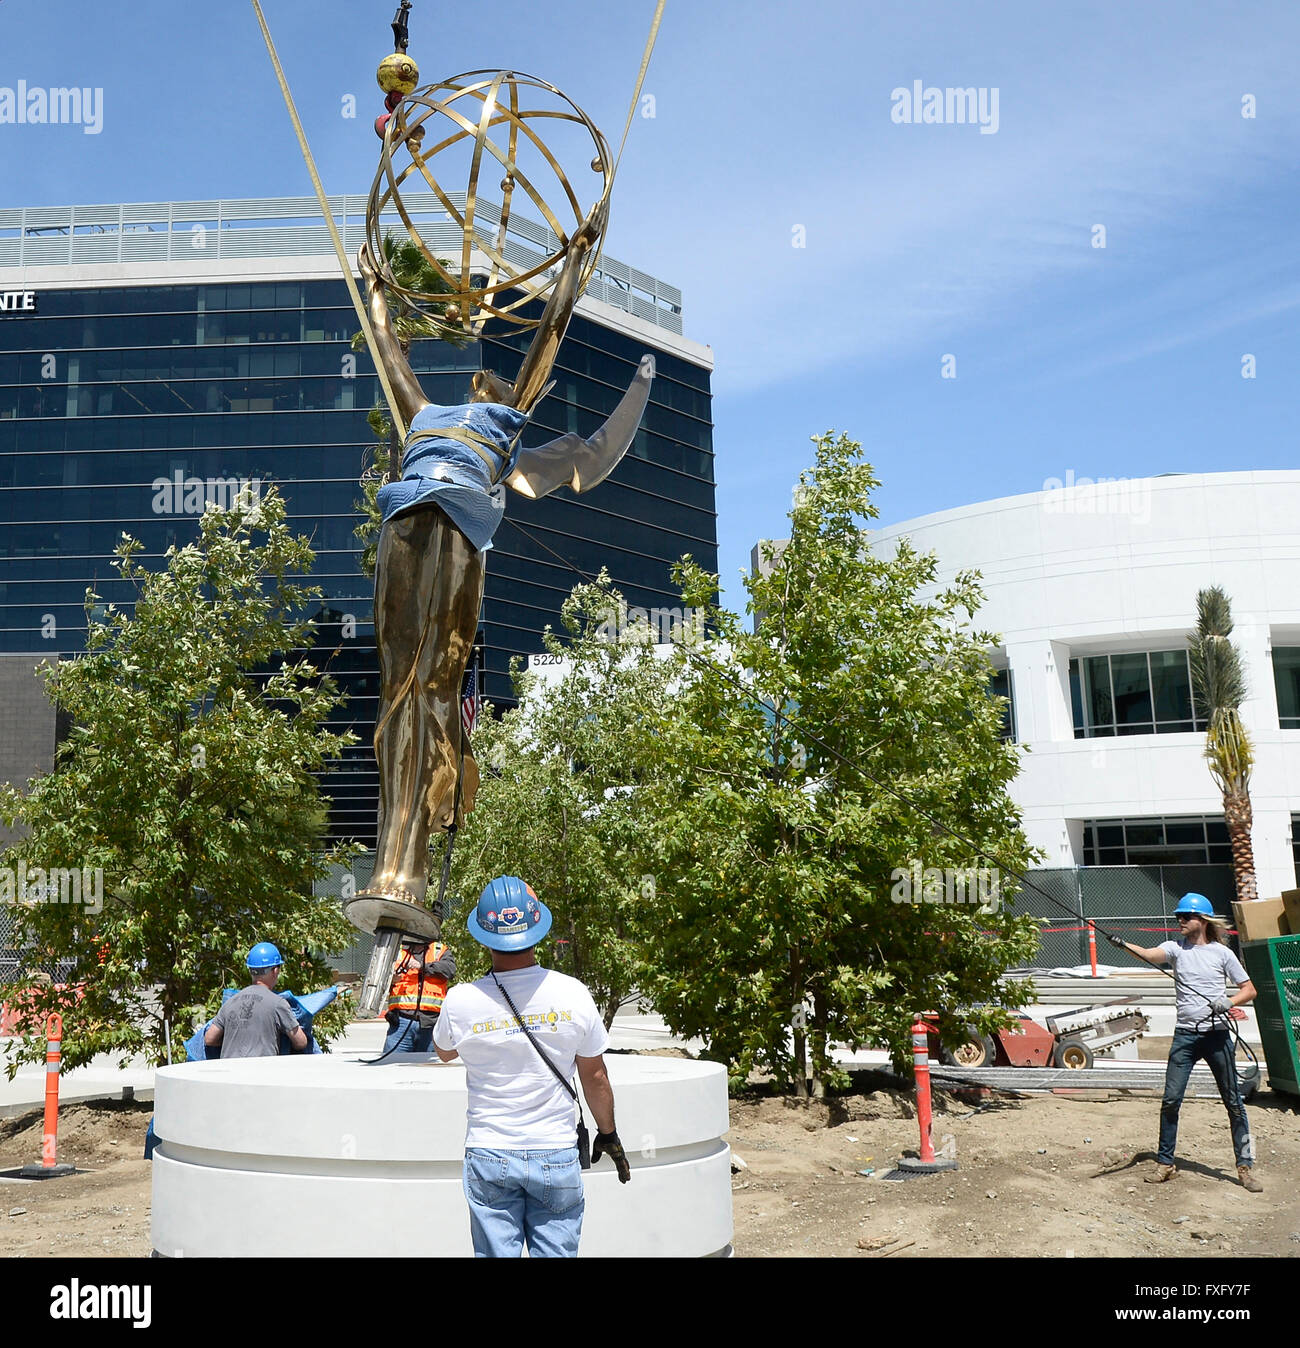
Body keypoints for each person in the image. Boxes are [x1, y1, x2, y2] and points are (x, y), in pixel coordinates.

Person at [433, 875, 631, 1257]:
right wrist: (608, 1133)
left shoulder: (460, 1001)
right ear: (538, 926)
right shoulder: (573, 993)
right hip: (554, 1152)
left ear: (483, 934)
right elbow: (595, 1076)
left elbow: (444, 1051)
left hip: (489, 1153)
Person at [1106, 892, 1261, 1191]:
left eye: (1185, 916)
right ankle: (1166, 1163)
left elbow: (1249, 989)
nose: (1180, 920)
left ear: (1202, 920)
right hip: (1185, 1037)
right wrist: (1123, 945)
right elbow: (1150, 956)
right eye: (1179, 916)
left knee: (1234, 1103)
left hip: (1217, 1037)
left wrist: (1227, 1003)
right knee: (1171, 1099)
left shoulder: (1222, 954)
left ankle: (1245, 1167)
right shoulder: (1175, 948)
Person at [204, 942, 308, 1060]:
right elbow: (301, 1042)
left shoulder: (230, 1002)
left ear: (250, 971)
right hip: (260, 1075)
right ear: (275, 971)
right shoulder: (278, 1004)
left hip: (229, 1074)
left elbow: (209, 1039)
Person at [383, 933, 456, 1054]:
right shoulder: (397, 950)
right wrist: (390, 979)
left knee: (427, 1070)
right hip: (401, 1022)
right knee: (391, 1067)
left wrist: (422, 966)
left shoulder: (438, 950)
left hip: (430, 1024)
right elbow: (379, 977)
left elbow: (449, 969)